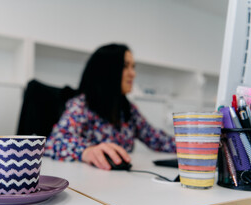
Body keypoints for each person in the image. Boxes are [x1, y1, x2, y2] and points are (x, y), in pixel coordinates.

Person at [44, 43, 176, 170]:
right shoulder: (82, 106)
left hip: (124, 180)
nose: (133, 74)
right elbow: (54, 143)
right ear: (108, 70)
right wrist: (87, 151)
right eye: (125, 66)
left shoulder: (128, 109)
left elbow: (157, 139)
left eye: (133, 67)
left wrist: (193, 144)